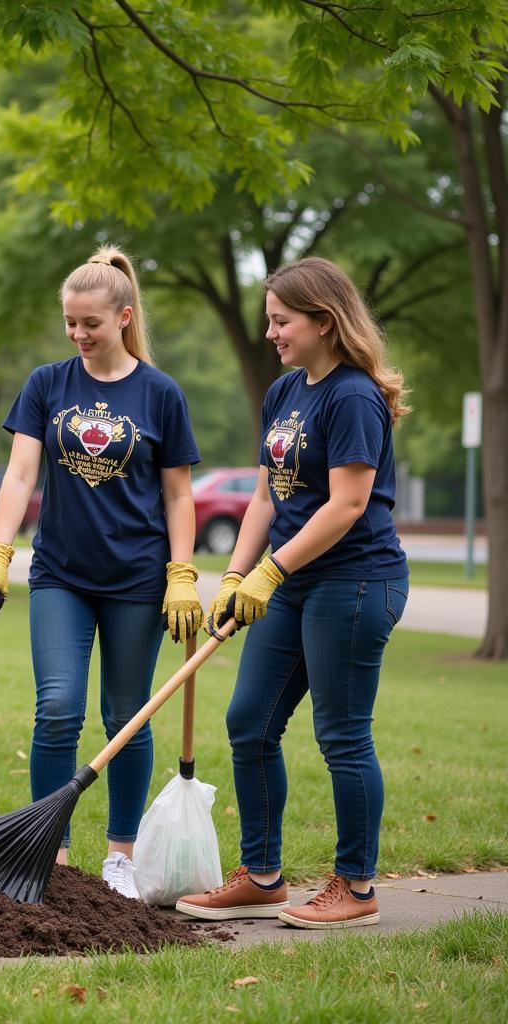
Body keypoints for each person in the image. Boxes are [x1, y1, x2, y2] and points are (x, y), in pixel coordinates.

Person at [175, 256, 411, 929]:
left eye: (282, 321)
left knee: (341, 735)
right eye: (270, 320)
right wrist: (234, 575)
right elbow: (263, 496)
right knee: (249, 722)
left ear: (324, 322)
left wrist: (270, 573)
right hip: (292, 581)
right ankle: (263, 875)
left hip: (355, 581)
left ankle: (358, 886)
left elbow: (347, 504)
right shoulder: (284, 394)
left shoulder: (354, 396)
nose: (272, 332)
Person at [0, 244, 203, 899]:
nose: (78, 334)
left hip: (137, 578)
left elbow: (179, 493)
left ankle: (120, 857)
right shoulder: (48, 383)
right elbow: (20, 473)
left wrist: (181, 571)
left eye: (91, 324)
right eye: (70, 323)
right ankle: (53, 854)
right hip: (61, 576)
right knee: (58, 709)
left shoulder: (160, 393)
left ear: (124, 317)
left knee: (127, 716)